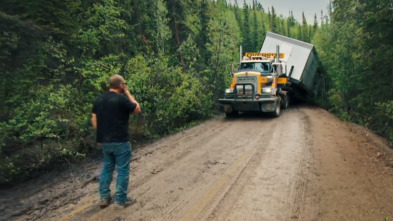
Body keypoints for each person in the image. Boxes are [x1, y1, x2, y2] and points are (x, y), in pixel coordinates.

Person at [91, 74, 141, 209]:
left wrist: (100, 134)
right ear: (121, 85)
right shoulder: (122, 99)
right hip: (120, 141)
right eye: (124, 84)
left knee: (107, 168)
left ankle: (104, 198)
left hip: (105, 141)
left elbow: (94, 118)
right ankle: (120, 200)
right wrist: (128, 93)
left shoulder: (99, 100)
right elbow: (137, 108)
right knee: (123, 170)